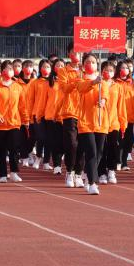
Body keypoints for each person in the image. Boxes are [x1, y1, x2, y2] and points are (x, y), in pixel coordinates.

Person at [75, 54, 109, 194]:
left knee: (99, 153)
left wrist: (103, 101)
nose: (91, 64)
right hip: (85, 122)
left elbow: (105, 95)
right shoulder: (80, 79)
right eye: (88, 62)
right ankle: (92, 183)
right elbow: (81, 88)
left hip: (101, 121)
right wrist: (94, 82)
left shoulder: (103, 82)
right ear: (83, 65)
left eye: (94, 62)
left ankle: (88, 174)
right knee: (91, 152)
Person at [0, 60, 28, 183]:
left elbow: (22, 105)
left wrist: (25, 119)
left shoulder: (18, 87)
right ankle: (2, 174)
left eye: (11, 69)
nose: (10, 71)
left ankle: (14, 172)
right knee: (0, 150)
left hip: (14, 123)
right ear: (2, 71)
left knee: (14, 148)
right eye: (8, 69)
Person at [59, 43, 85, 188]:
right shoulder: (63, 71)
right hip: (70, 111)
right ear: (69, 54)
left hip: (85, 112)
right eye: (74, 52)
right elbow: (65, 89)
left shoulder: (87, 70)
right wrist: (77, 79)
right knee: (72, 144)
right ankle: (69, 171)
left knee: (82, 144)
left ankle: (79, 173)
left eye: (80, 52)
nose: (77, 55)